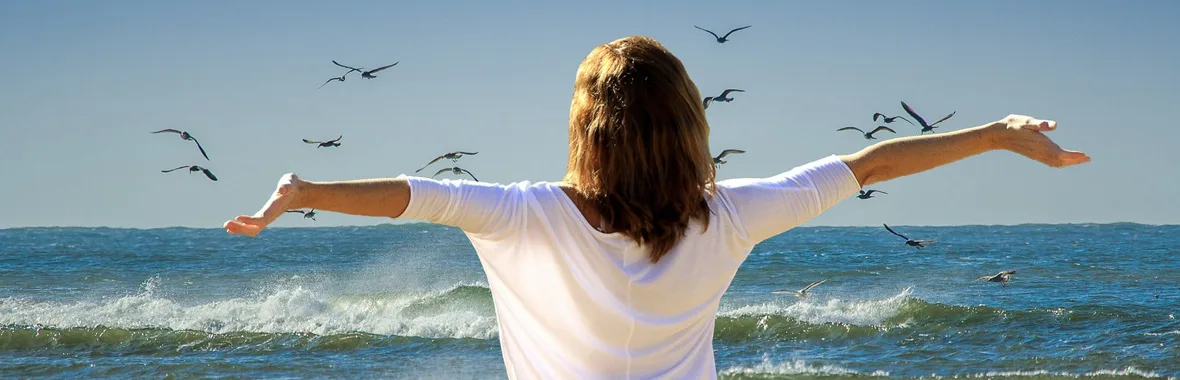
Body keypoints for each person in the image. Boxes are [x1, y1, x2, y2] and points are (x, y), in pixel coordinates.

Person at [223, 36, 1089, 379]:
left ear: (583, 132)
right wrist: (999, 134)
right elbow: (869, 162)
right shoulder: (734, 213)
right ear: (692, 127)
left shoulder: (522, 214)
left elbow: (413, 196)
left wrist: (301, 195)